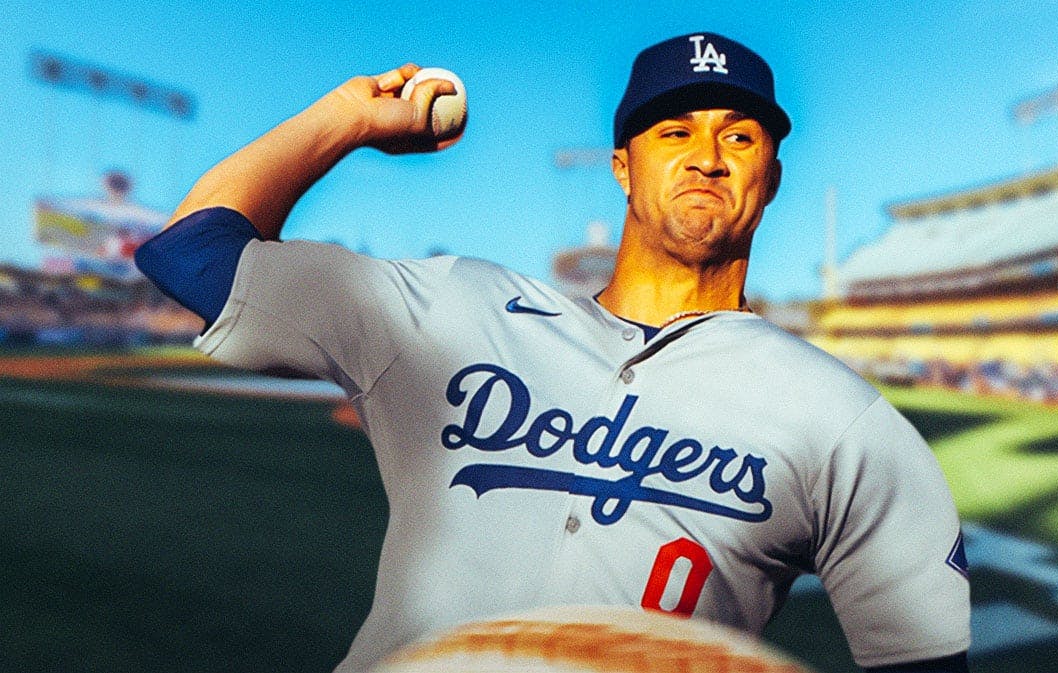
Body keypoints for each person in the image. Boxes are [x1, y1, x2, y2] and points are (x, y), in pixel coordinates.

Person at [136, 32, 970, 673]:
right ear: (622, 168)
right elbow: (192, 253)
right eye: (675, 131)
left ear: (774, 175)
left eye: (740, 137)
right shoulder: (453, 309)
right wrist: (349, 116)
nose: (708, 158)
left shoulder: (846, 422)